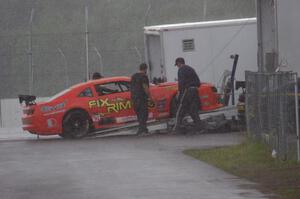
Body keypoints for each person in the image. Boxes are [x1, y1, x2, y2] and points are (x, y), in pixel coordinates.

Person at [173, 57, 202, 133]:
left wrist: (179, 93)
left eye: (177, 65)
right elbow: (198, 82)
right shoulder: (191, 69)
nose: (177, 66)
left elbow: (181, 83)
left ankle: (176, 128)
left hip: (187, 91)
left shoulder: (181, 70)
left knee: (180, 109)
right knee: (193, 110)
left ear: (179, 63)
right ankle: (200, 127)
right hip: (195, 90)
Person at [131, 63, 151, 135]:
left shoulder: (133, 76)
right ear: (146, 69)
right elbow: (145, 87)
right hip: (141, 98)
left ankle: (144, 129)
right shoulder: (143, 77)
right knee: (144, 114)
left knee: (139, 115)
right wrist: (149, 96)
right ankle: (141, 130)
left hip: (134, 99)